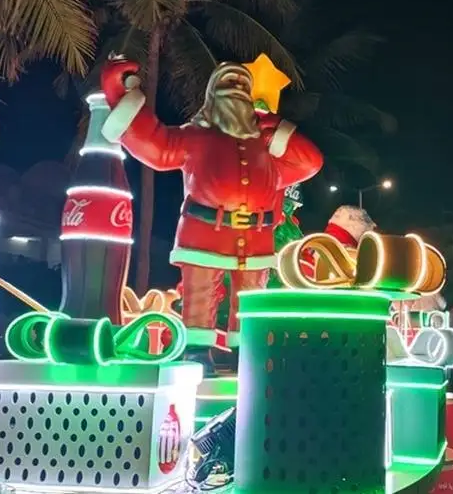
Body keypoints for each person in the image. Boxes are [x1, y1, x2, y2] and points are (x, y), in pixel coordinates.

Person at [100, 55, 323, 371]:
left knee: (250, 299)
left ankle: (248, 353)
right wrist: (119, 96)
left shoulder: (264, 144)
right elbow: (154, 145)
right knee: (201, 292)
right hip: (206, 231)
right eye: (228, 81)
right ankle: (197, 352)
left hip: (255, 237)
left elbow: (310, 162)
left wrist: (277, 130)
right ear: (212, 92)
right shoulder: (195, 136)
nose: (235, 87)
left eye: (242, 84)